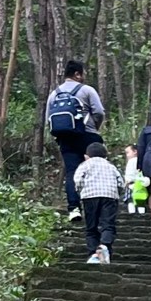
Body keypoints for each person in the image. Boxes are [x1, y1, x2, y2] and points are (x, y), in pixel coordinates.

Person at [45, 58, 104, 218]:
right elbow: (99, 112)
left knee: (72, 172)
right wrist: (94, 128)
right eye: (83, 73)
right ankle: (95, 207)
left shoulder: (54, 94)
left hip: (65, 138)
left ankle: (74, 208)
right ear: (77, 74)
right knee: (94, 170)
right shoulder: (87, 90)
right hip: (88, 136)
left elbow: (47, 119)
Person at [73, 136, 122, 265]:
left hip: (89, 197)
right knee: (108, 224)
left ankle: (93, 254)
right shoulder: (110, 166)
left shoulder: (85, 165)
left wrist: (80, 192)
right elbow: (120, 182)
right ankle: (105, 245)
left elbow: (78, 180)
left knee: (91, 227)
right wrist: (117, 194)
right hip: (109, 196)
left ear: (86, 156)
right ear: (105, 156)